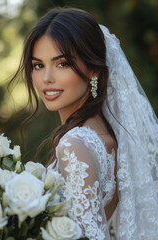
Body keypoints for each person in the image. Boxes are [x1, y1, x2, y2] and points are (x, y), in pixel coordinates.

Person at [12, 8, 158, 240]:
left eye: (62, 64)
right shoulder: (108, 135)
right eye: (38, 65)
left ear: (94, 70)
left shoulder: (74, 144)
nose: (46, 78)